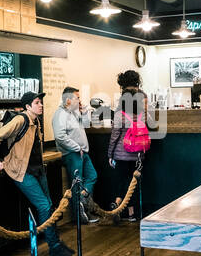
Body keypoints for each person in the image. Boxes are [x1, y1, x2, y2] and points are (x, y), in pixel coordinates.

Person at [0, 91, 75, 256]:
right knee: (43, 206)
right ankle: (54, 245)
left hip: (37, 170)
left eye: (40, 102)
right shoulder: (21, 120)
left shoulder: (36, 122)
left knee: (49, 206)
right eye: (36, 102)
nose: (41, 105)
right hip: (21, 171)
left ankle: (55, 242)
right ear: (27, 107)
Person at [107, 69, 150, 224]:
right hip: (138, 152)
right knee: (132, 183)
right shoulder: (141, 114)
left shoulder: (119, 115)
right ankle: (132, 213)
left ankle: (117, 206)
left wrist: (110, 154)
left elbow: (114, 137)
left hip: (121, 153)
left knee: (120, 181)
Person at [53, 86, 98, 225]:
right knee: (77, 183)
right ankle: (79, 216)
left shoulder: (73, 112)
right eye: (77, 97)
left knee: (92, 176)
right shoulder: (60, 115)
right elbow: (60, 137)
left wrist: (84, 113)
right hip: (72, 153)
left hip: (83, 152)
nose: (79, 100)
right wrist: (76, 147)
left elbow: (85, 125)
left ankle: (83, 202)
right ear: (68, 100)